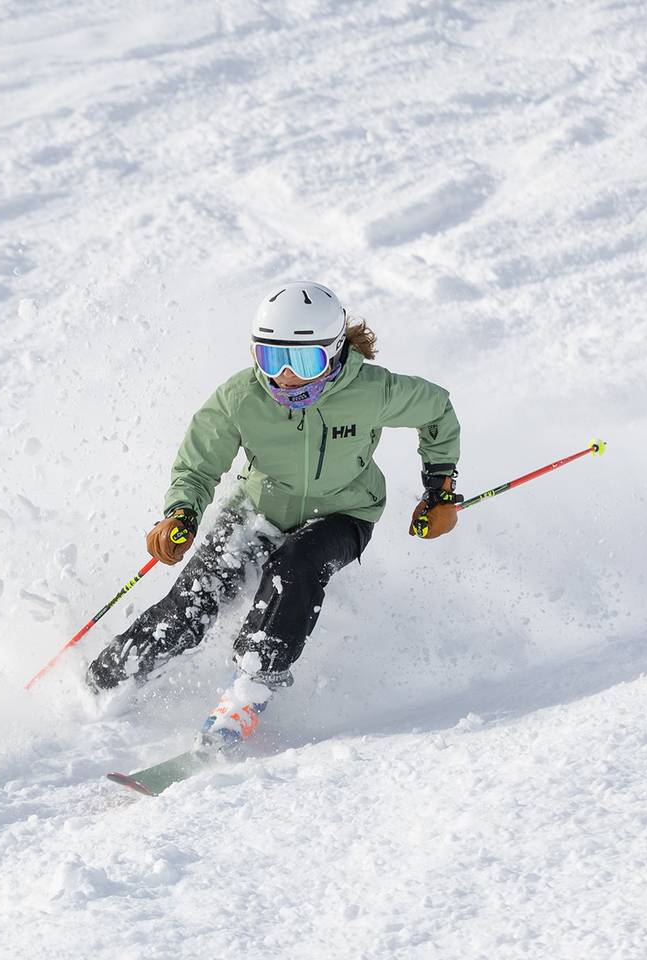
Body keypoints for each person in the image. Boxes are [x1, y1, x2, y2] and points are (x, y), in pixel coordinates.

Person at [85, 280, 464, 749]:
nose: (284, 377)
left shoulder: (373, 390)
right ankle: (103, 682)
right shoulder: (242, 397)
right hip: (257, 511)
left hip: (345, 512)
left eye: (303, 362)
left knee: (296, 568)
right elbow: (199, 462)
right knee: (194, 602)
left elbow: (438, 411)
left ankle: (249, 690)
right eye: (270, 359)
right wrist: (181, 512)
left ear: (334, 351)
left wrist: (440, 490)